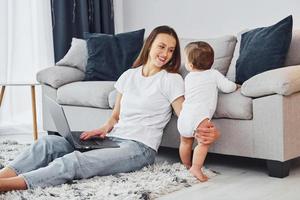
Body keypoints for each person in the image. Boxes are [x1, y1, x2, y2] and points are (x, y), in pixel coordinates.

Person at [0, 26, 219, 192]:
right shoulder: (129, 75)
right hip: (112, 138)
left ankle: (8, 185)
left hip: (138, 148)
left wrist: (205, 129)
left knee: (74, 161)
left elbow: (185, 114)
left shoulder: (171, 80)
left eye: (171, 50)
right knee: (48, 143)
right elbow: (116, 115)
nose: (165, 53)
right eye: (161, 46)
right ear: (150, 45)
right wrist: (103, 128)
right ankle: (4, 175)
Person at [177, 41, 237, 181]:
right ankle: (196, 168)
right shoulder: (213, 74)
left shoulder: (188, 77)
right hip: (200, 116)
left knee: (185, 142)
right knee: (203, 143)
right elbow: (227, 87)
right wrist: (236, 86)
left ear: (190, 65)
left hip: (184, 115)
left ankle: (186, 165)